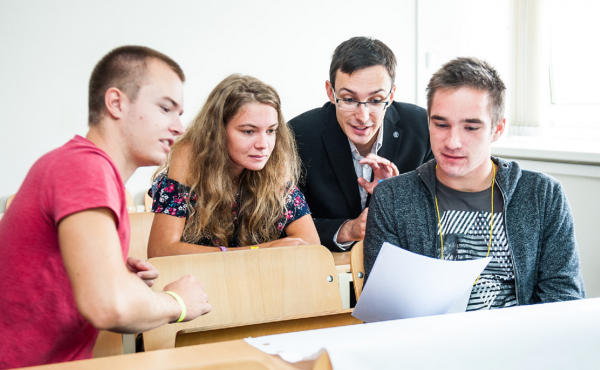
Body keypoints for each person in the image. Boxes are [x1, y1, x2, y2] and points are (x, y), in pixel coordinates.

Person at [0, 46, 212, 369]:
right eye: (166, 109)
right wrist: (177, 302)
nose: (179, 128)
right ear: (116, 103)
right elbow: (105, 306)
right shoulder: (85, 169)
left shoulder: (92, 171)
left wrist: (122, 281)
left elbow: (88, 290)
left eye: (180, 114)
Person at [364, 57, 585, 309]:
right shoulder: (392, 198)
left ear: (497, 129)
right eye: (441, 124)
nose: (452, 142)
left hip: (521, 343)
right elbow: (386, 309)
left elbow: (563, 302)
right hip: (432, 344)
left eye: (471, 127)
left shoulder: (543, 195)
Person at [147, 74, 319, 257]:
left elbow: (311, 248)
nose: (263, 144)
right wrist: (260, 251)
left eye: (270, 131)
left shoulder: (274, 163)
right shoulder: (189, 157)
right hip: (201, 281)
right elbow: (160, 252)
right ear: (217, 132)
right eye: (248, 131)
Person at [289, 36, 434, 252]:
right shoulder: (298, 135)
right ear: (331, 92)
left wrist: (399, 196)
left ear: (391, 95)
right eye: (349, 99)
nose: (363, 116)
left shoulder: (424, 129)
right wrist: (348, 230)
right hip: (330, 277)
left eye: (375, 101)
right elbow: (282, 227)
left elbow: (440, 219)